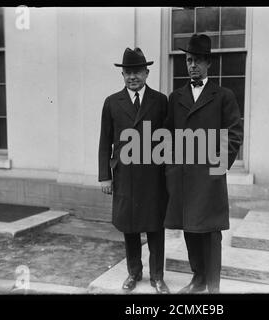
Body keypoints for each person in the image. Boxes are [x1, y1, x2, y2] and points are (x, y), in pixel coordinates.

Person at [164, 34, 243, 293]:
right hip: (185, 177)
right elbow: (167, 136)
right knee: (190, 230)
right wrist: (173, 167)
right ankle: (198, 280)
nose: (192, 65)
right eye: (188, 60)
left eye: (197, 60)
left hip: (210, 177)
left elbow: (233, 134)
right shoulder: (176, 97)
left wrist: (218, 167)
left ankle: (213, 288)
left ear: (209, 63)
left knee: (210, 233)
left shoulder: (223, 96)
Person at [98, 47, 170, 294]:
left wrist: (169, 175)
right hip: (124, 177)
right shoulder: (111, 103)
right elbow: (104, 142)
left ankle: (157, 277)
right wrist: (105, 176)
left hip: (154, 177)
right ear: (123, 75)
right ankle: (133, 272)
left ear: (147, 73)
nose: (133, 77)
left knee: (155, 228)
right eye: (128, 72)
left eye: (137, 71)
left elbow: (168, 141)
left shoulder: (160, 101)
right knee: (129, 227)